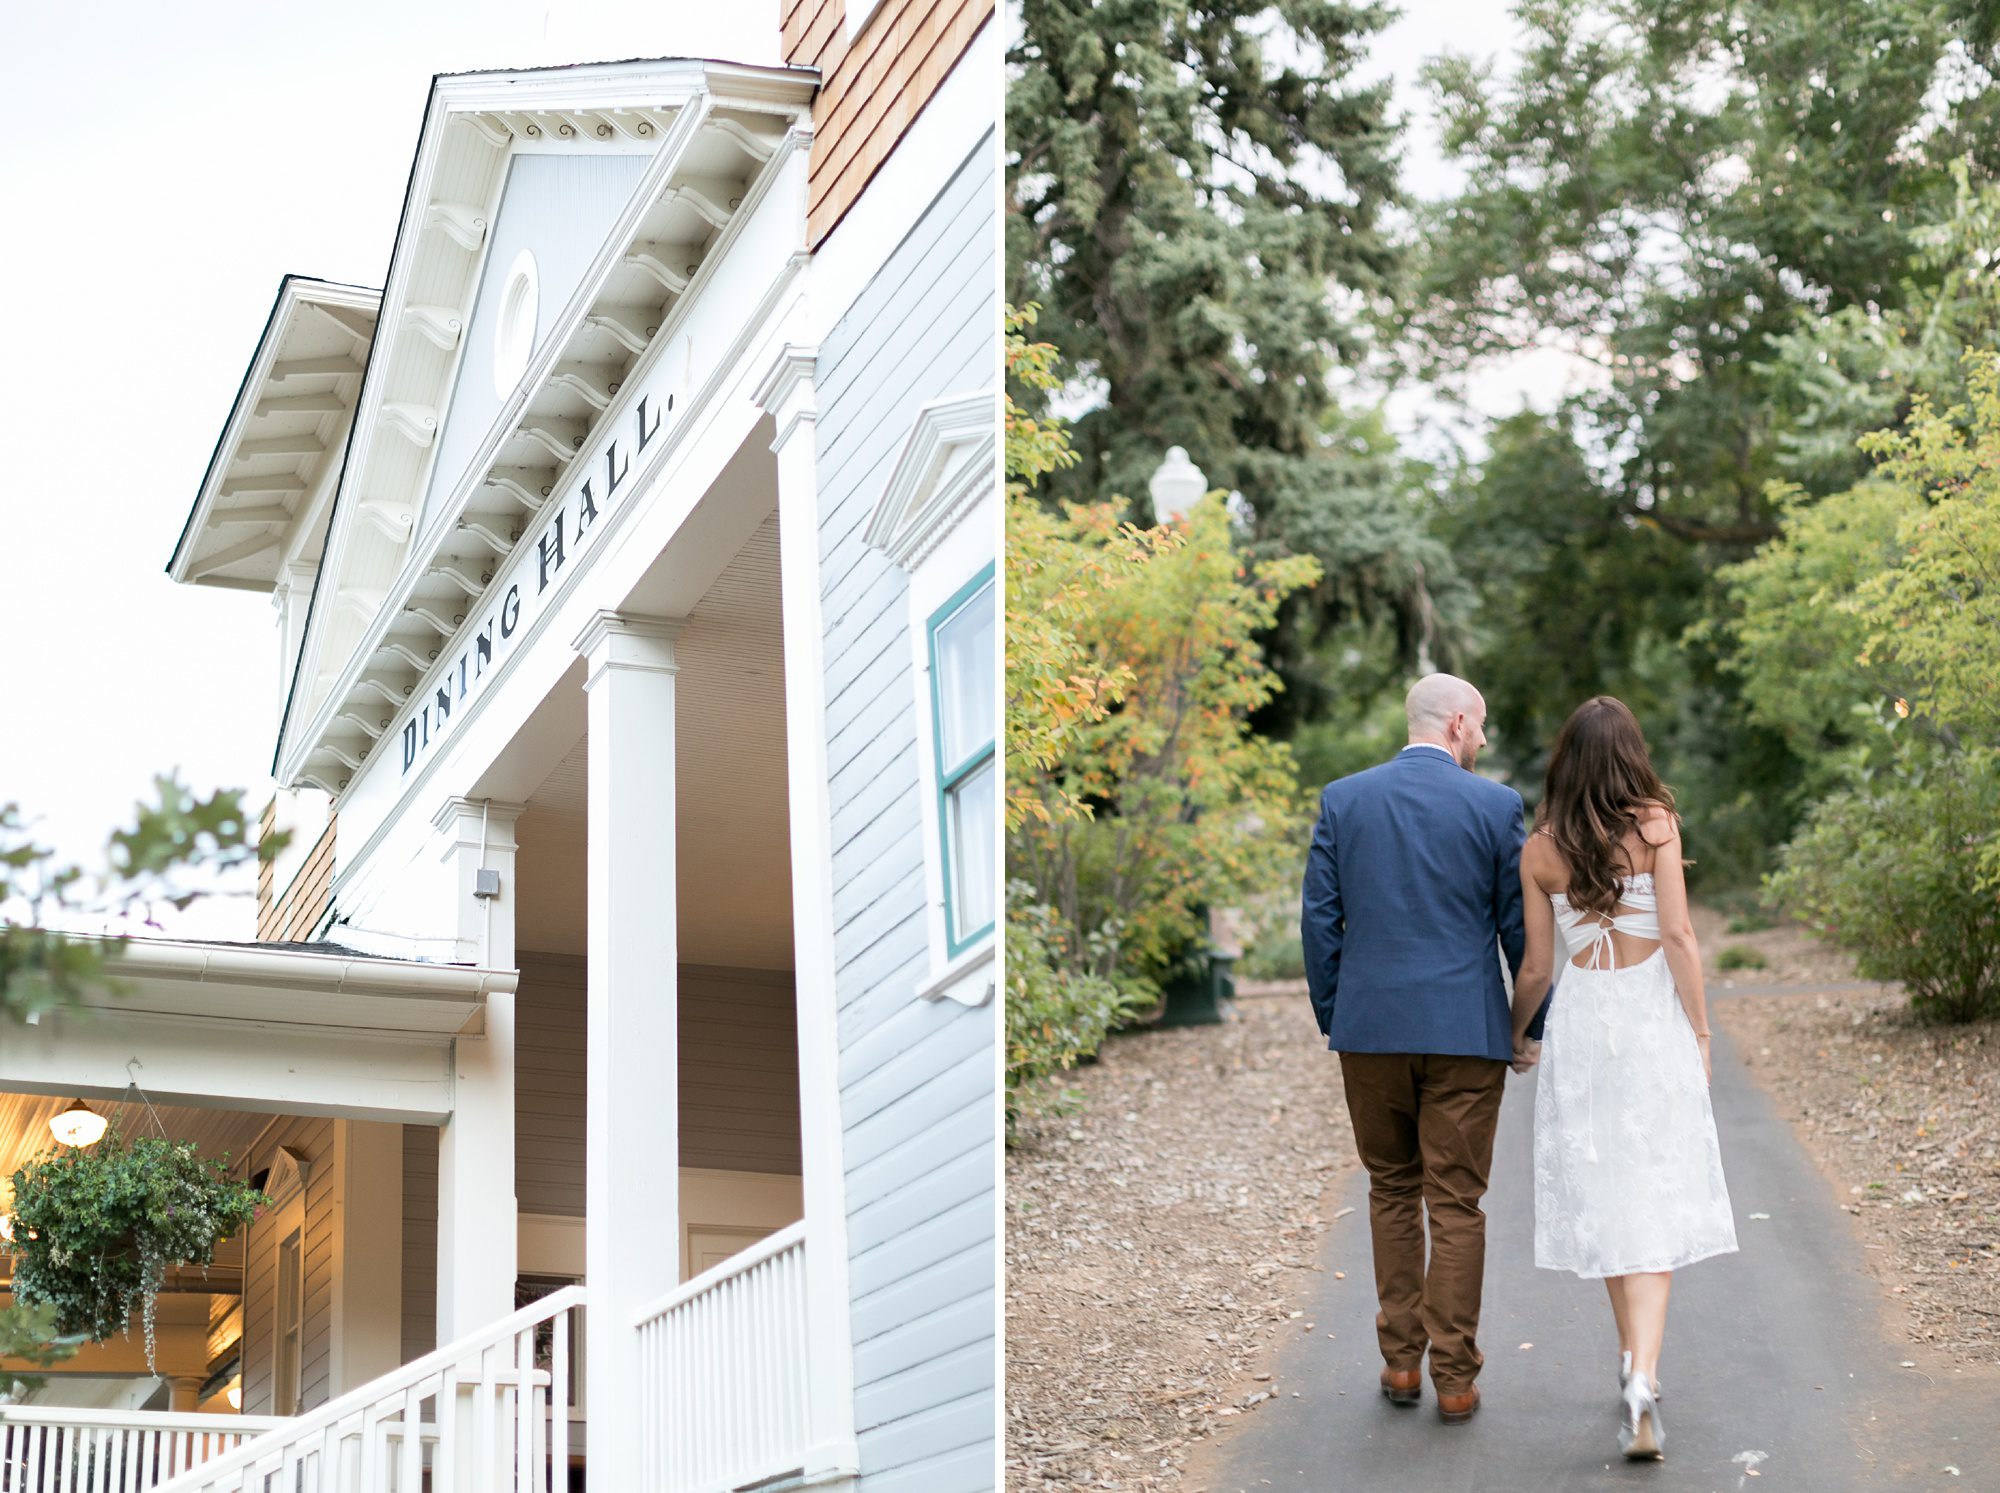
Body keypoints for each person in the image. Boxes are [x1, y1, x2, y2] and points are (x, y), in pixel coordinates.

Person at [1300, 672, 1538, 1425]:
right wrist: (1527, 1027)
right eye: (1482, 726)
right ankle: (1456, 1379)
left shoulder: (1345, 800)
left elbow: (1319, 920)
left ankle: (1401, 1362)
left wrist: (1340, 1014)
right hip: (1466, 1031)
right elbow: (1519, 928)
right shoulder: (1496, 806)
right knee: (1456, 1200)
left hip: (1371, 1030)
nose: (1484, 740)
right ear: (1458, 723)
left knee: (1392, 1188)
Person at [1509, 695, 1738, 1461]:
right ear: (1631, 754)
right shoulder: (1656, 826)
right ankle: (1641, 1375)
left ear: (1566, 761)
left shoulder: (1541, 850)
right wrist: (1700, 1029)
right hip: (1647, 1020)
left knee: (1609, 1193)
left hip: (1583, 1024)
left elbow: (1537, 968)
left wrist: (1515, 1033)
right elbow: (1677, 933)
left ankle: (1633, 1360)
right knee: (1655, 1194)